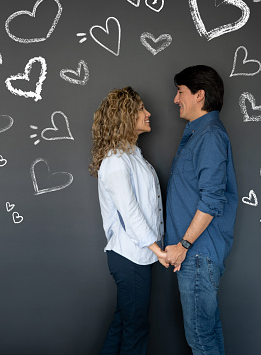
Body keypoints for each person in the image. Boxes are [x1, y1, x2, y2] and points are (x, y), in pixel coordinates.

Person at [164, 65, 238, 355]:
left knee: (201, 340)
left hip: (197, 255)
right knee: (207, 335)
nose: (174, 99)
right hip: (195, 256)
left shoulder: (209, 136)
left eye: (180, 92)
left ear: (199, 95)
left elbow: (212, 201)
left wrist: (183, 245)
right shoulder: (201, 133)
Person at [89, 86, 168, 355]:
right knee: (135, 328)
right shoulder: (115, 161)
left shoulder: (133, 156)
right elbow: (130, 211)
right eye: (142, 109)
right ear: (126, 116)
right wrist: (158, 250)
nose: (148, 113)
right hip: (130, 257)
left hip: (137, 256)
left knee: (123, 324)